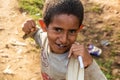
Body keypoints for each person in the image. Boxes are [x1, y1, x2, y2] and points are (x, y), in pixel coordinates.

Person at [22, 0, 107, 80]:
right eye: (58, 30)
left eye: (72, 31)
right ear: (44, 26)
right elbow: (36, 33)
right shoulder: (44, 39)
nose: (64, 39)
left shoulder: (78, 60)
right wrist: (29, 28)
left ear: (79, 29)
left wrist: (89, 64)